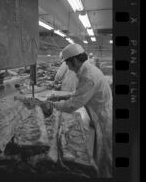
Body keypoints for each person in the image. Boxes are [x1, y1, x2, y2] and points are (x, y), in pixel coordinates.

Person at [43, 43, 112, 177]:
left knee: (105, 153)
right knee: (101, 151)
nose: (67, 67)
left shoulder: (88, 76)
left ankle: (105, 175)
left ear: (74, 60)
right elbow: (80, 94)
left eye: (67, 63)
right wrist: (65, 96)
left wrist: (51, 105)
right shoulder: (87, 70)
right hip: (98, 112)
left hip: (103, 117)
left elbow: (72, 105)